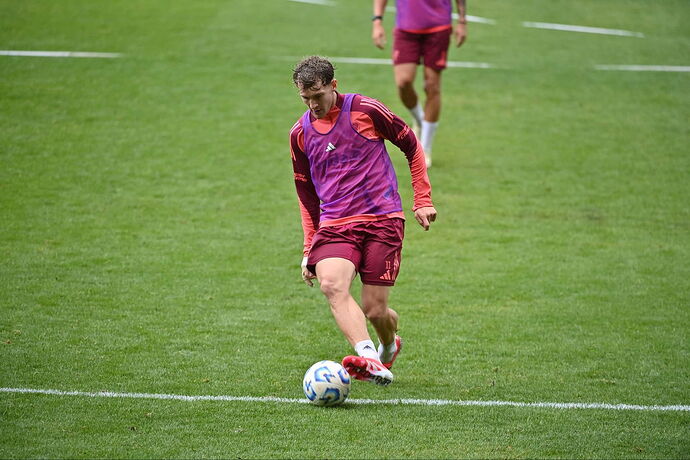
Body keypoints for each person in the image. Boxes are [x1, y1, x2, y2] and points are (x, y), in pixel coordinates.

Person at [289, 56, 437, 386]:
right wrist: (308, 246)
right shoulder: (300, 133)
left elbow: (410, 143)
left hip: (382, 218)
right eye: (306, 99)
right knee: (331, 285)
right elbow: (306, 193)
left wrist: (422, 199)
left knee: (375, 310)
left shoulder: (365, 110)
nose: (313, 105)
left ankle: (388, 343)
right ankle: (369, 357)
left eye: (318, 96)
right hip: (336, 223)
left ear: (333, 86)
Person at [372, 0, 467, 168]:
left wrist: (462, 21)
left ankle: (424, 149)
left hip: (438, 27)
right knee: (403, 82)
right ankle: (420, 120)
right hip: (406, 27)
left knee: (432, 86)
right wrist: (377, 21)